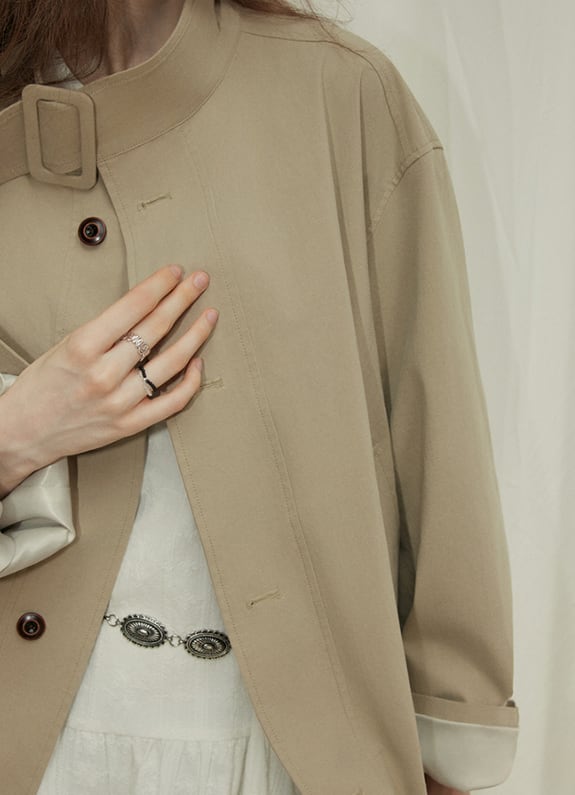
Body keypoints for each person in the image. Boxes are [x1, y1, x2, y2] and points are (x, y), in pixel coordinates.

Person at [0, 1, 520, 793]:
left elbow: (438, 437)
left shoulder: (340, 94)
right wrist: (20, 430)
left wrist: (453, 734)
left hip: (288, 752)